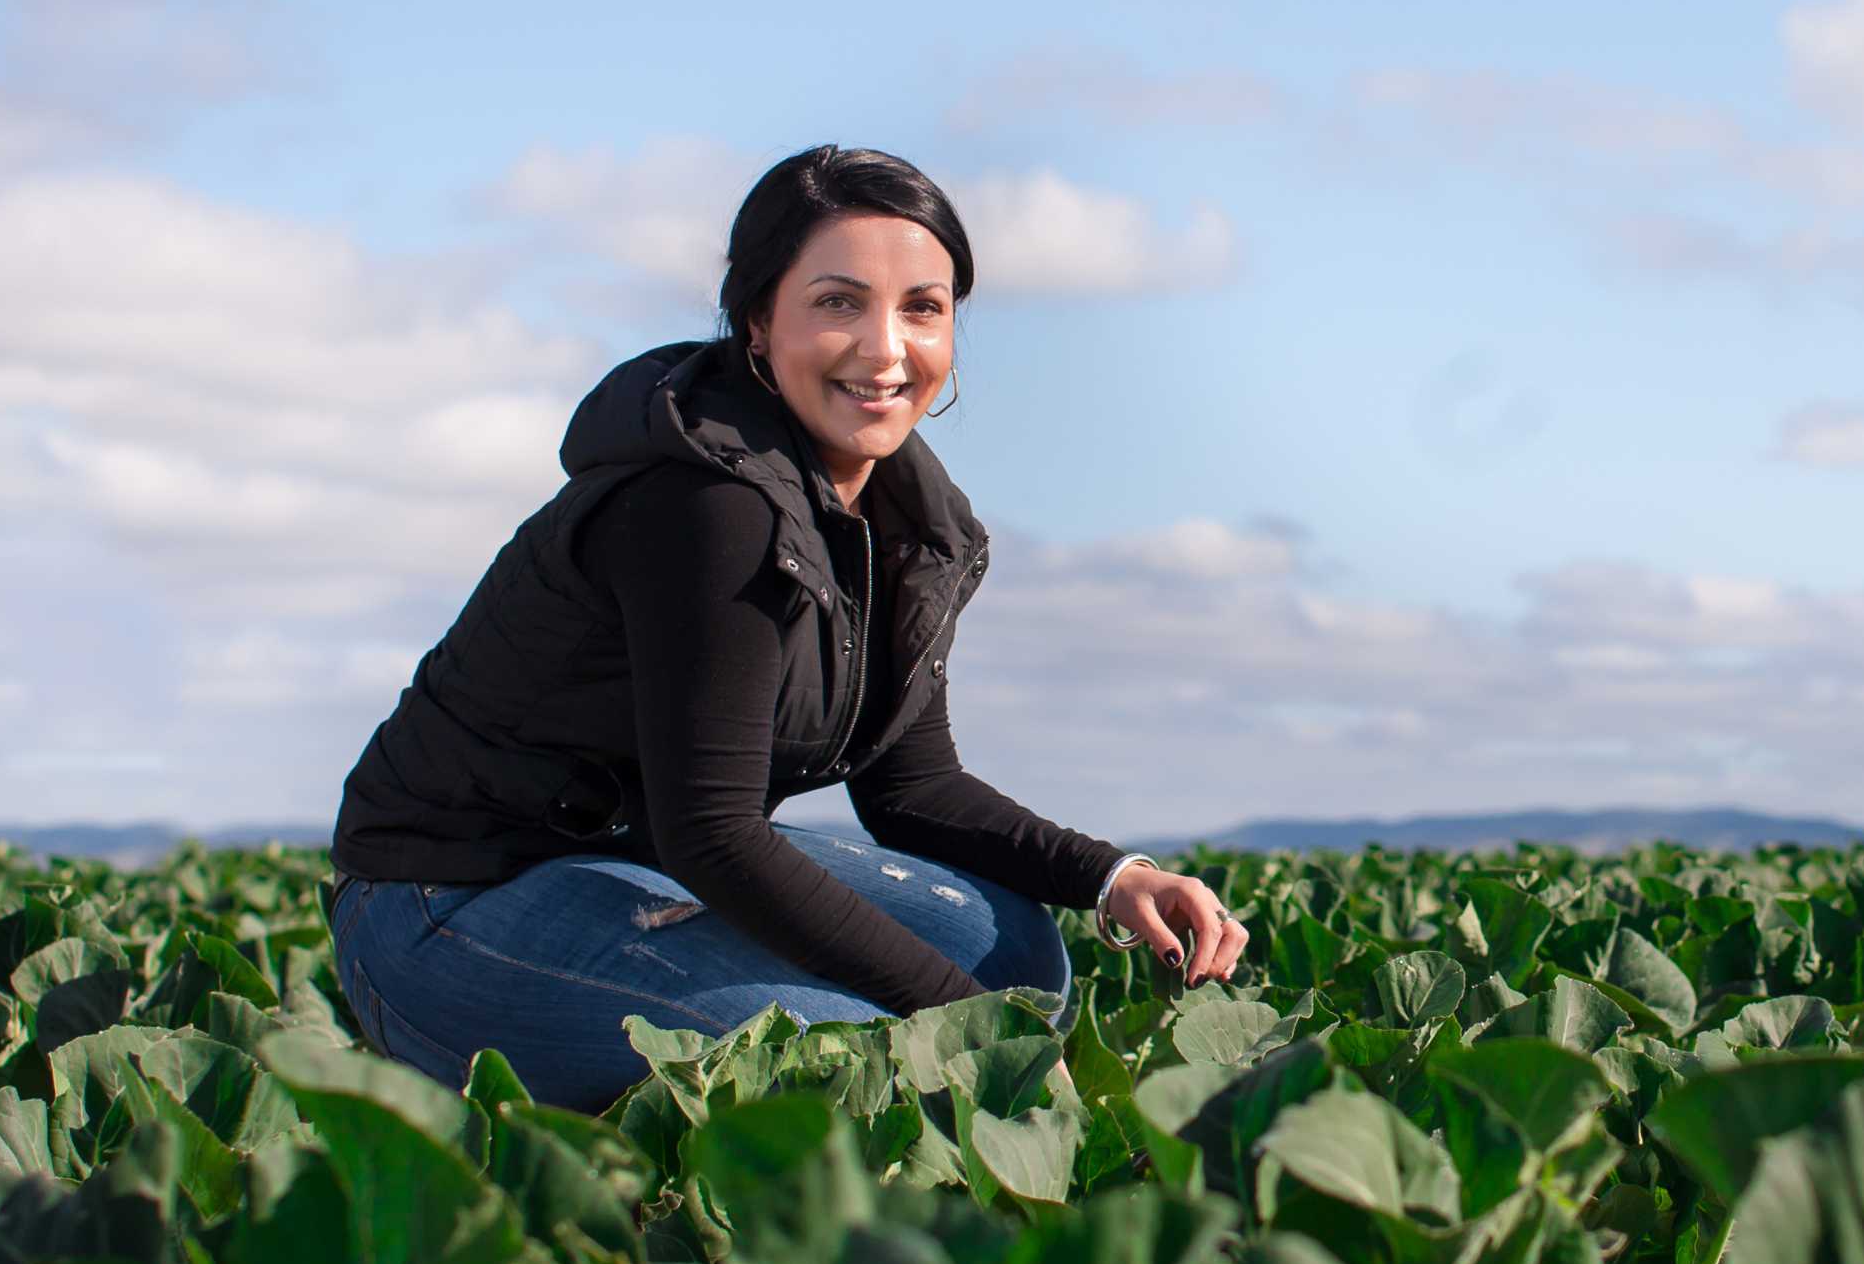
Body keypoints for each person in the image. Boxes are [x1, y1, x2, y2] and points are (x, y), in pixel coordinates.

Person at [324, 144, 1248, 1110]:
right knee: (845, 1057)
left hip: (620, 862)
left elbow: (912, 787)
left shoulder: (909, 522)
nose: (885, 349)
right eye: (838, 303)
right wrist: (959, 1023)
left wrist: (1113, 877)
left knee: (1013, 953)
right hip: (444, 902)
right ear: (758, 325)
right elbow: (713, 835)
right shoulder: (706, 505)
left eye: (922, 309)